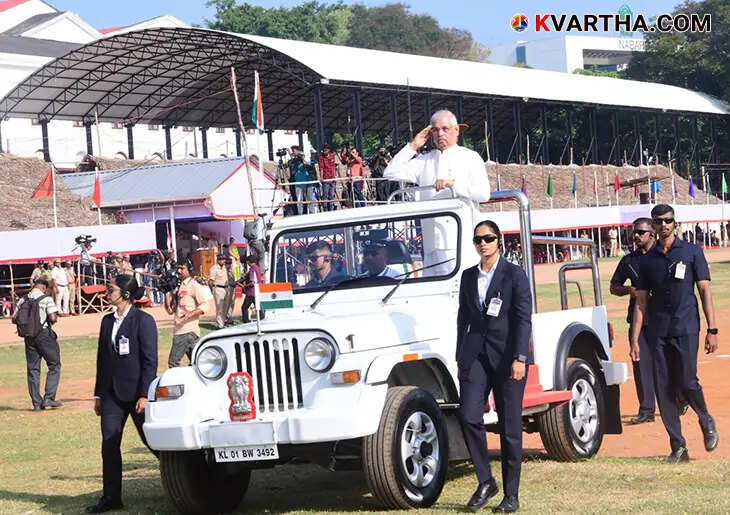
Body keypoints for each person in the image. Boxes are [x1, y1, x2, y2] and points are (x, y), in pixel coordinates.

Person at [631, 204, 719, 463]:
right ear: (654, 226)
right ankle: (678, 446)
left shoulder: (692, 252)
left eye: (668, 220)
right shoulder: (646, 261)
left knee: (688, 380)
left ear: (674, 223)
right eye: (658, 221)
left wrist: (712, 330)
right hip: (658, 331)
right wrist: (636, 338)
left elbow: (705, 292)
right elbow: (641, 302)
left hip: (686, 326)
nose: (663, 225)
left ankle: (705, 419)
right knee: (664, 388)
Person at [457, 220, 531, 513]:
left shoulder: (514, 274)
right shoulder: (467, 276)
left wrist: (520, 358)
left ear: (498, 240)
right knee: (468, 416)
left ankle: (511, 495)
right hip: (475, 356)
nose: (483, 244)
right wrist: (460, 355)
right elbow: (463, 318)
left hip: (508, 358)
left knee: (510, 427)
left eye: (488, 238)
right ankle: (486, 480)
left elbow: (523, 318)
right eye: (478, 240)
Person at [85, 274, 158, 513]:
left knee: (155, 443)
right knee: (109, 444)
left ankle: (187, 479)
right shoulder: (107, 321)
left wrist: (145, 395)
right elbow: (102, 359)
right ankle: (111, 497)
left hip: (137, 395)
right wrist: (98, 394)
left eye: (111, 289)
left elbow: (150, 361)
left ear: (125, 294)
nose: (107, 293)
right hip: (111, 396)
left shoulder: (143, 321)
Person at [383, 109, 490, 204]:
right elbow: (390, 173)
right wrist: (413, 146)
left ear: (456, 130)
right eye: (435, 130)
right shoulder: (424, 161)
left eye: (445, 129)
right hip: (429, 225)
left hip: (462, 223)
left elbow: (484, 195)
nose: (440, 134)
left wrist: (454, 185)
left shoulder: (470, 157)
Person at [610, 218, 656, 424]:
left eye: (641, 232)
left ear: (652, 234)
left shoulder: (663, 256)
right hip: (639, 320)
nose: (636, 236)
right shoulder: (629, 261)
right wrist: (629, 290)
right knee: (640, 363)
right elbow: (614, 285)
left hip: (664, 319)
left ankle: (679, 399)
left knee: (673, 362)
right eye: (634, 232)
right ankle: (646, 409)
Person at [12, 277, 62, 411]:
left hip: (29, 337)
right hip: (44, 335)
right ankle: (49, 398)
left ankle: (36, 403)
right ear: (44, 287)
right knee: (54, 365)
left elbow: (14, 318)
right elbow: (52, 317)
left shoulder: (23, 299)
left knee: (33, 369)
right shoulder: (46, 299)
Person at [163, 260, 212, 368]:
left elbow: (206, 305)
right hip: (180, 330)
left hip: (186, 331)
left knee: (173, 362)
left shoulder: (194, 285)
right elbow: (171, 310)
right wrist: (167, 292)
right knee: (197, 363)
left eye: (182, 268)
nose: (179, 271)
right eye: (178, 268)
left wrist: (191, 313)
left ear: (189, 270)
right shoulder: (179, 287)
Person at [241, 254, 264, 323]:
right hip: (257, 290)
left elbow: (252, 282)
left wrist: (245, 286)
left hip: (251, 292)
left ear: (248, 262)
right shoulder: (257, 268)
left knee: (244, 307)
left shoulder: (252, 270)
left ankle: (246, 321)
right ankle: (262, 318)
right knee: (258, 306)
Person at [208, 254, 229, 329]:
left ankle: (223, 322)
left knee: (225, 307)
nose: (224, 261)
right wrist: (213, 290)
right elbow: (210, 281)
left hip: (226, 288)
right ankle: (220, 324)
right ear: (218, 260)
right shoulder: (214, 268)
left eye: (224, 259)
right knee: (219, 307)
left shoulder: (224, 267)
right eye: (222, 259)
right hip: (218, 288)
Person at [318, 144, 337, 211]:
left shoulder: (332, 156)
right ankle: (325, 210)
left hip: (332, 178)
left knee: (331, 195)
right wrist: (321, 177)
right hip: (326, 178)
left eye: (326, 150)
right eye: (323, 150)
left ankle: (331, 209)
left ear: (328, 150)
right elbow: (321, 168)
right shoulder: (321, 157)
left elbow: (333, 167)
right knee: (325, 195)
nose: (324, 151)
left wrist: (335, 176)